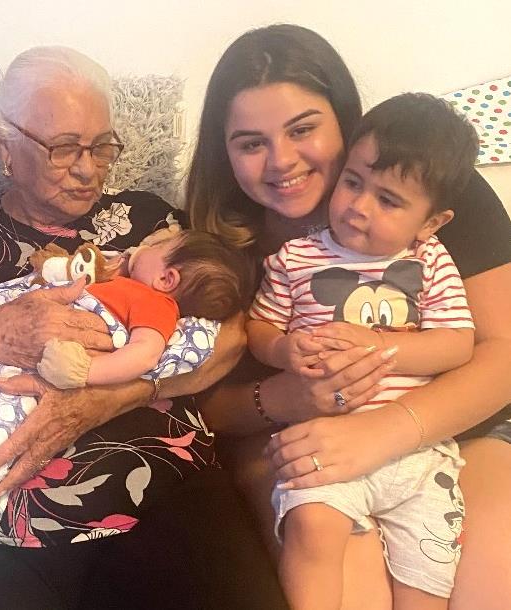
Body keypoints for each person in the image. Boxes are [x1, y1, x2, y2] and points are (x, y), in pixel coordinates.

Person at [0, 46, 281, 609]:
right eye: (63, 149)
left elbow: (230, 335)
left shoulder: (153, 222)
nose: (88, 169)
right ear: (5, 148)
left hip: (161, 481)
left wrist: (114, 394)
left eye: (102, 146)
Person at [186, 24, 511, 610]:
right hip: (295, 439)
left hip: (455, 426)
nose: (282, 161)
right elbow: (206, 406)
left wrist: (385, 430)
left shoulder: (427, 186)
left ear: (345, 120)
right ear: (223, 152)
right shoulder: (220, 248)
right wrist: (291, 396)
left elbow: (500, 353)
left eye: (302, 129)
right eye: (250, 143)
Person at [248, 93, 477, 609]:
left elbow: (457, 344)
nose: (359, 206)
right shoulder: (296, 257)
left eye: (388, 200)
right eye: (352, 182)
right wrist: (282, 349)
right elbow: (258, 327)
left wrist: (382, 346)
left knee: (427, 575)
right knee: (311, 527)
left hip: (418, 453)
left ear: (431, 222)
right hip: (322, 442)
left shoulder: (430, 261)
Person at [37, 228, 248, 389]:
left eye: (159, 246)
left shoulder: (157, 305)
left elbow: (145, 354)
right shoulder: (131, 283)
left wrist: (86, 371)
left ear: (166, 279)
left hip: (58, 359)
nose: (145, 247)